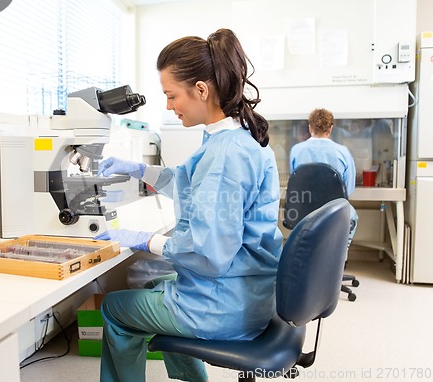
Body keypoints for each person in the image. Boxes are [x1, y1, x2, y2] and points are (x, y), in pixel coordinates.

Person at [94, 28, 283, 382]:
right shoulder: (236, 139)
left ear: (201, 90)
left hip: (222, 306)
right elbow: (185, 182)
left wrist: (143, 239)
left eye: (171, 95)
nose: (168, 106)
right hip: (250, 294)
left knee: (115, 308)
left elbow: (210, 254)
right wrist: (136, 168)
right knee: (153, 287)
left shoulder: (224, 155)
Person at [289, 108, 358, 248]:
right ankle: (341, 253)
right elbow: (348, 190)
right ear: (331, 129)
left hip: (302, 211)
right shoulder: (342, 152)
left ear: (310, 127)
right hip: (332, 213)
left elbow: (294, 181)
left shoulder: (296, 150)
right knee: (353, 216)